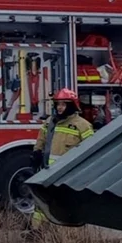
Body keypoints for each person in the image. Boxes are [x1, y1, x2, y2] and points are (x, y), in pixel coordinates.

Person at [29, 88, 94, 232]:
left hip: (67, 174)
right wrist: (36, 154)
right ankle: (36, 231)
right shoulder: (50, 122)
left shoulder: (82, 125)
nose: (60, 107)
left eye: (63, 104)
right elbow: (41, 139)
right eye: (58, 104)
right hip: (47, 172)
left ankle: (63, 235)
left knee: (64, 204)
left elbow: (90, 148)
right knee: (42, 202)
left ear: (71, 105)